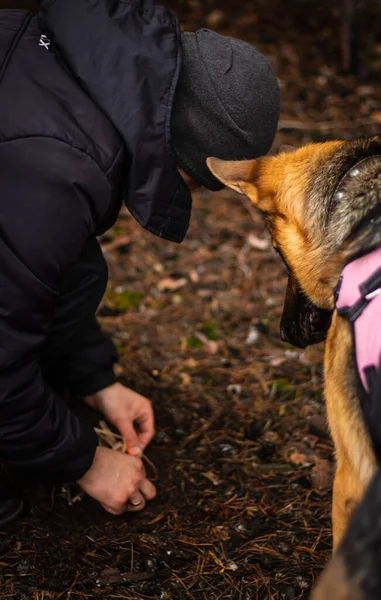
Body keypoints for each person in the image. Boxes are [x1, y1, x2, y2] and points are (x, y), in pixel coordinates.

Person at [0, 0, 280, 528]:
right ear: (190, 151)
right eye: (204, 181)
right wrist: (83, 460)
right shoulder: (57, 169)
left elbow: (50, 269)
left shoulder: (71, 79)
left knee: (81, 268)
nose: (196, 193)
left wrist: (94, 378)